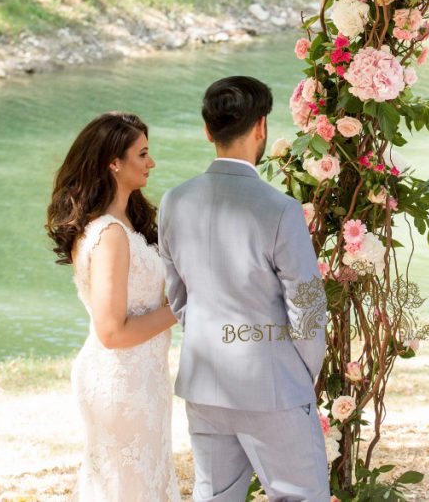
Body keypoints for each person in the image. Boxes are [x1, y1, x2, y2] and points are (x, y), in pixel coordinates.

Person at [159, 75, 329, 502]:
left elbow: (178, 297)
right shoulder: (281, 209)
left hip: (203, 382)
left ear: (207, 131)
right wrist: (300, 375)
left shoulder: (173, 201)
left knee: (214, 496)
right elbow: (307, 307)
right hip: (273, 384)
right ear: (261, 128)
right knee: (299, 496)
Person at [45, 111, 179, 501]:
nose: (151, 163)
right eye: (142, 154)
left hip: (144, 377)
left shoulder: (124, 225)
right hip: (122, 383)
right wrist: (183, 308)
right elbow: (112, 331)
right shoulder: (109, 235)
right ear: (114, 163)